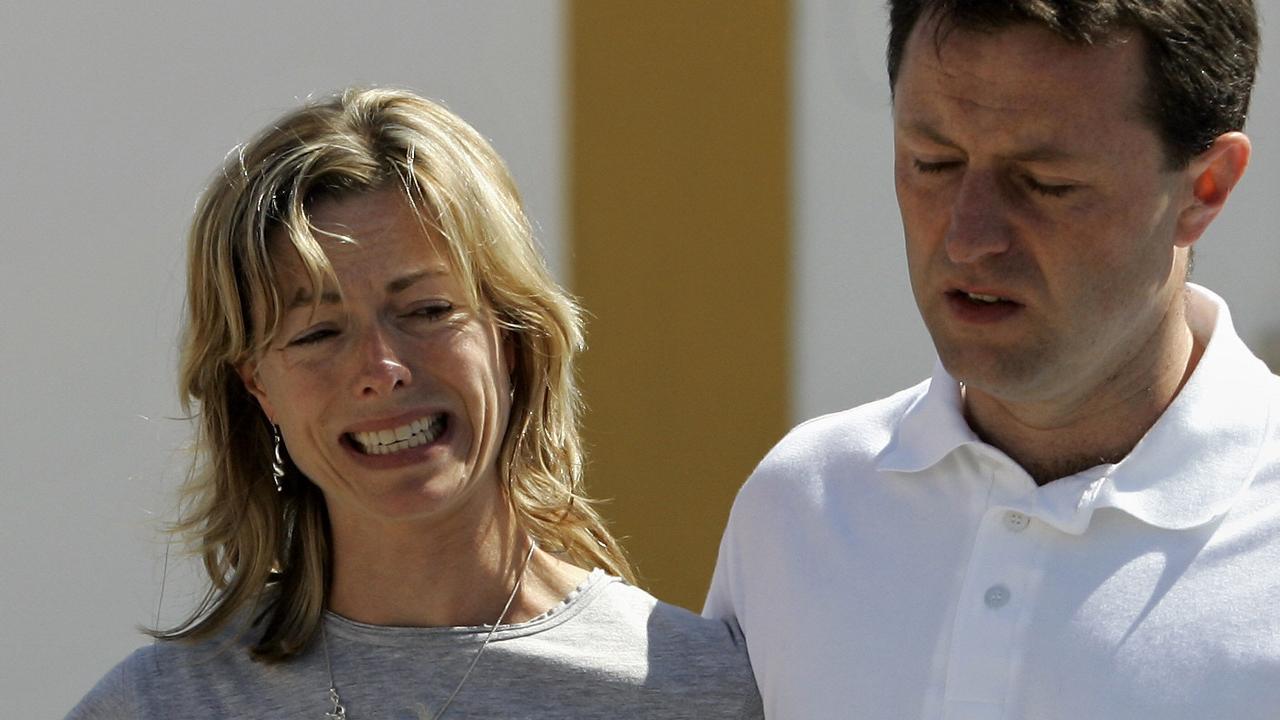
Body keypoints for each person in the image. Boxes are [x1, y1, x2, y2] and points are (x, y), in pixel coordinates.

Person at [69, 87, 763, 720]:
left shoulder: (694, 689)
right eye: (318, 332)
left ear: (513, 337)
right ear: (258, 388)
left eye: (428, 310)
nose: (382, 370)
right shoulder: (163, 705)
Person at [706, 1, 1279, 717]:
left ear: (1207, 187)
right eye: (933, 162)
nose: (969, 236)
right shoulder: (802, 506)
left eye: (1046, 183)